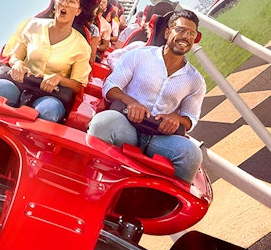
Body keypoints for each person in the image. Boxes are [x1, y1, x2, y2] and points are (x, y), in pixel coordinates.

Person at [88, 9, 206, 182]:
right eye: (181, 30)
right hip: (127, 126)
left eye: (191, 34)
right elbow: (110, 87)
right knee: (102, 122)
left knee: (192, 154)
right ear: (167, 32)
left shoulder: (196, 81)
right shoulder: (139, 56)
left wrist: (176, 118)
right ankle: (95, 181)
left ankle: (160, 206)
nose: (186, 37)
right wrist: (130, 102)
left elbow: (190, 119)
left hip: (160, 138)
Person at [0, 0, 101, 122]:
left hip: (51, 94)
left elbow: (78, 84)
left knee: (48, 113)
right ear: (56, 2)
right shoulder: (33, 25)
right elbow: (15, 56)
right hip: (19, 82)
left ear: (78, 10)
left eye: (72, 2)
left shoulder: (81, 45)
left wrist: (58, 78)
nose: (65, 4)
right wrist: (17, 64)